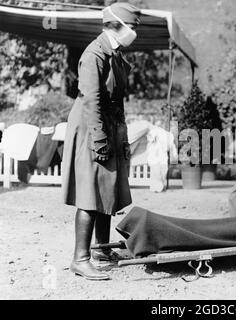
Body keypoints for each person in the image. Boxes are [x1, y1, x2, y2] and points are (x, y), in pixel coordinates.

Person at [62, 2, 141, 281]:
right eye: (132, 26)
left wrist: (122, 137)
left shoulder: (117, 55)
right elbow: (91, 101)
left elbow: (117, 101)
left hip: (108, 126)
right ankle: (80, 259)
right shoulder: (94, 54)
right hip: (90, 128)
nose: (134, 32)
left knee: (106, 189)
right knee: (90, 193)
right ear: (115, 24)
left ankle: (101, 249)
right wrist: (99, 139)